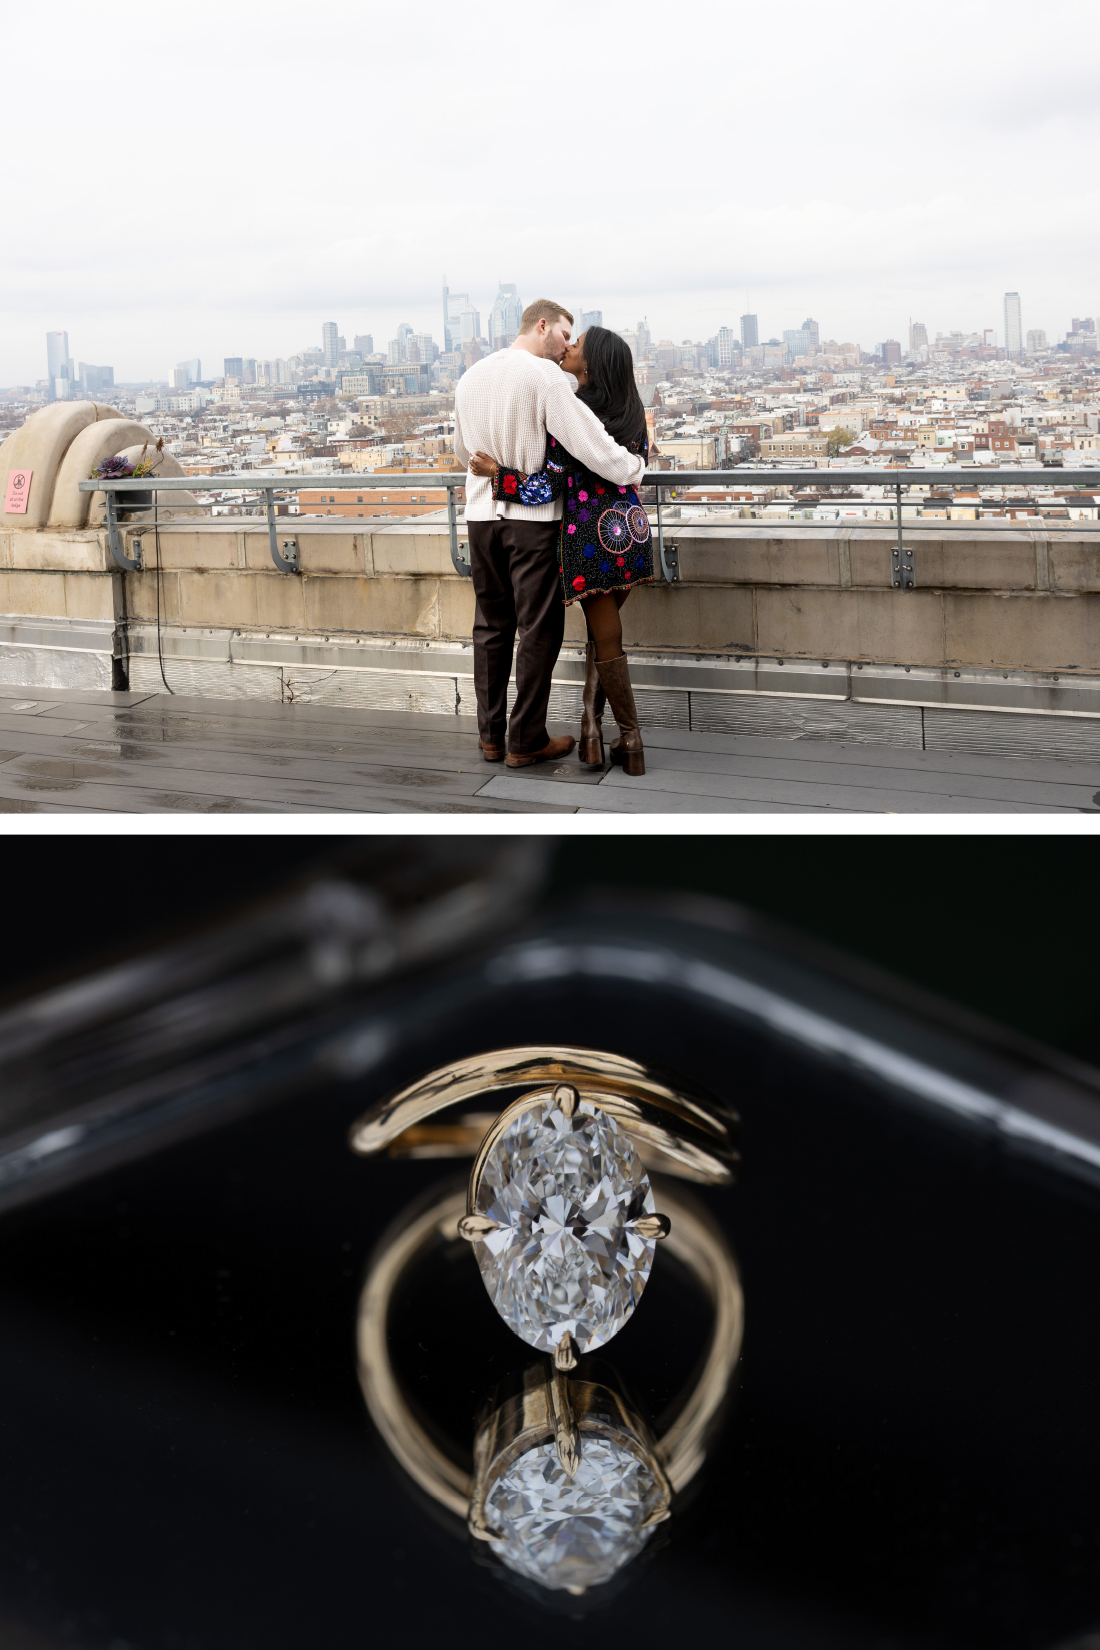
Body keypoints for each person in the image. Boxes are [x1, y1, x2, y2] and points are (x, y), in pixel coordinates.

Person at [453, 301, 646, 768]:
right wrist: (634, 466)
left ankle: (491, 737)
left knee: (489, 627)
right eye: (564, 333)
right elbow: (591, 446)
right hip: (532, 520)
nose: (566, 345)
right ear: (543, 326)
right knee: (537, 629)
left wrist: (492, 475)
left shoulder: (469, 377)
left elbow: (462, 451)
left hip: (480, 515)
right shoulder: (547, 379)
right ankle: (525, 740)